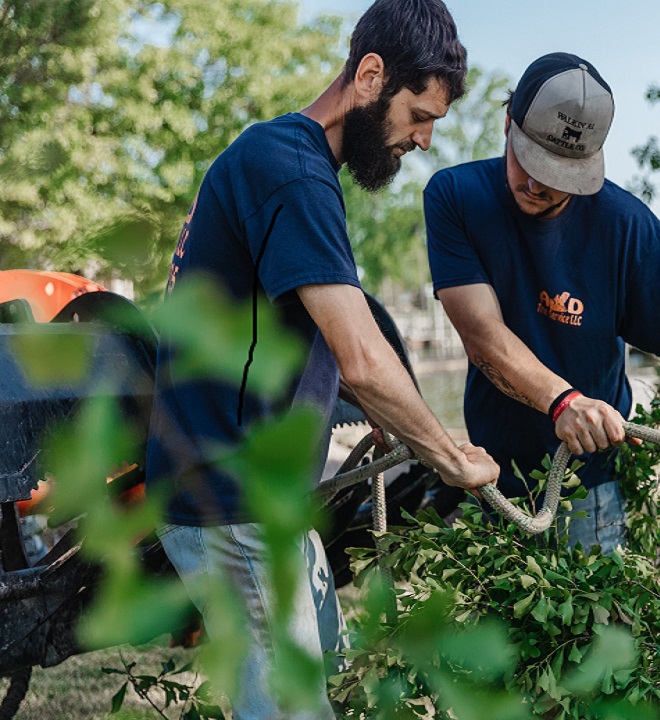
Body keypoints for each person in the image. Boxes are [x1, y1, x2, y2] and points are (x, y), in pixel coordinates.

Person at [145, 1, 499, 718]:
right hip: (228, 503)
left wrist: (397, 425)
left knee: (324, 682)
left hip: (260, 504)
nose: (426, 139)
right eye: (420, 114)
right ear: (370, 75)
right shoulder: (292, 172)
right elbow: (362, 357)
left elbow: (317, 345)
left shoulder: (286, 162)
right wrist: (448, 458)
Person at [423, 52, 660, 555]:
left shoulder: (627, 227)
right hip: (487, 478)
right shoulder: (455, 197)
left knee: (593, 634)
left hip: (589, 491)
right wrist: (564, 401)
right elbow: (481, 334)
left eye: (554, 174)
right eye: (527, 161)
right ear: (508, 124)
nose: (534, 184)